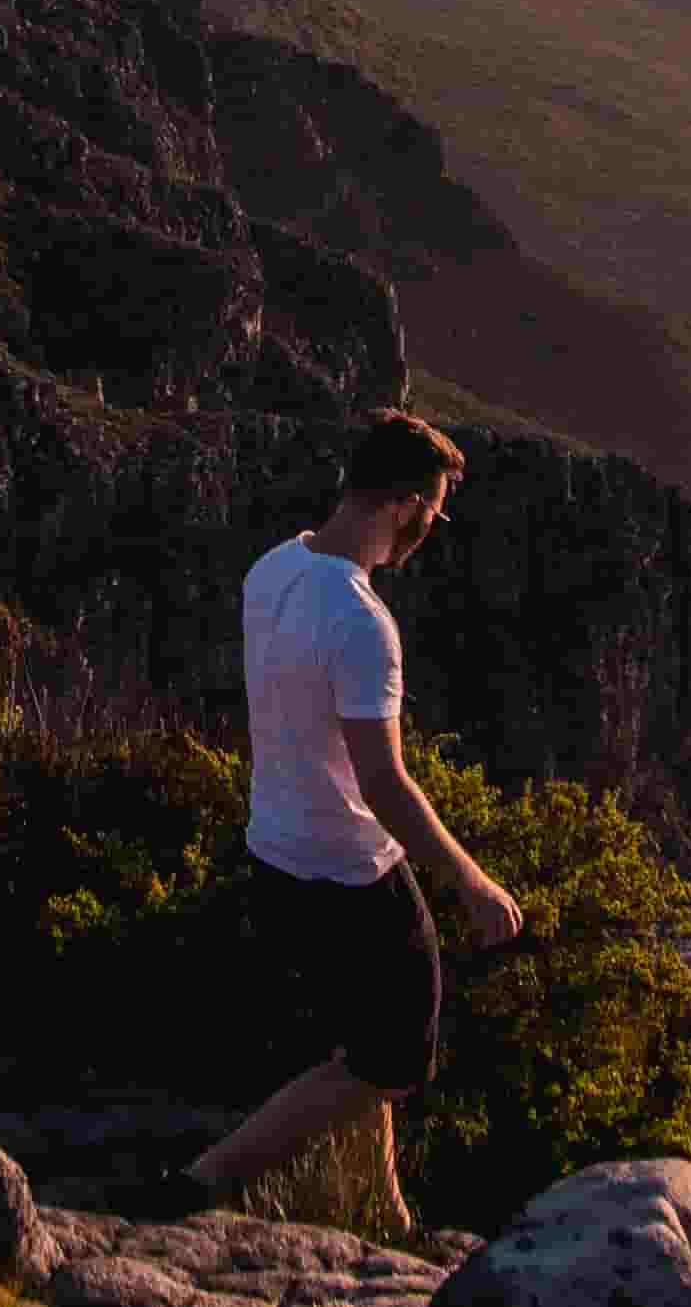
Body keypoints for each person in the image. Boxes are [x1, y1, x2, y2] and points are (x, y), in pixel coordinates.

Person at [189, 410, 525, 1223]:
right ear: (405, 504)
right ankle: (203, 1182)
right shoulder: (361, 622)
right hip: (348, 870)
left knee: (361, 1046)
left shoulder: (274, 567)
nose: (430, 530)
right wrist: (473, 883)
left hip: (273, 845)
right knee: (396, 1060)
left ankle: (383, 1208)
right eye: (434, 512)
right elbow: (384, 782)